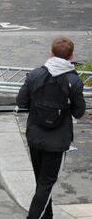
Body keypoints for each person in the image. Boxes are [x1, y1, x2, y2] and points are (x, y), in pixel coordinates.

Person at [17, 36, 86, 219]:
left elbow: (21, 101)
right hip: (57, 142)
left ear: (51, 53)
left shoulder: (35, 74)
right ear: (71, 56)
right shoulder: (74, 80)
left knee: (41, 184)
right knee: (46, 185)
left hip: (35, 137)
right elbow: (79, 112)